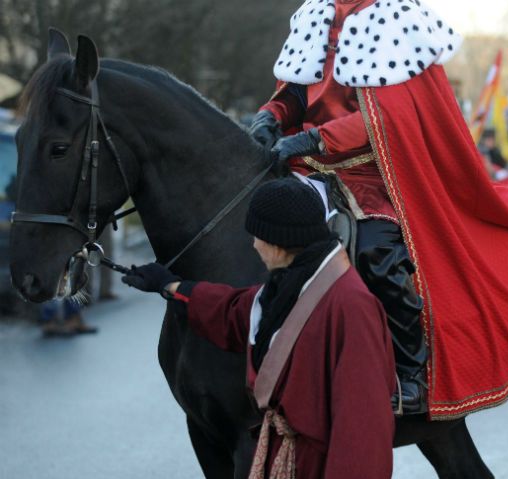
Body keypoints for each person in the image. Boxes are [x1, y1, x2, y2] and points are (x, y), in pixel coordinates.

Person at [248, 0, 508, 420]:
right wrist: (271, 115)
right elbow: (295, 92)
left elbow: (388, 118)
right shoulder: (316, 14)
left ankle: (411, 374)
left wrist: (315, 140)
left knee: (377, 250)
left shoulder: (393, 19)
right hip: (305, 164)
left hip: (373, 169)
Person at [122, 178, 396, 478]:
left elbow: (362, 430)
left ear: (280, 241)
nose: (254, 245)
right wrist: (169, 286)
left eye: (258, 237)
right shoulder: (294, 283)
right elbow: (234, 310)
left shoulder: (351, 306)